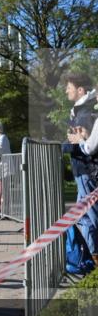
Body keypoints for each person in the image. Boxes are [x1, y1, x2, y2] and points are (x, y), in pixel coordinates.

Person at [62, 74, 98, 263]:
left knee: (91, 216)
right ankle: (91, 257)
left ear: (80, 90)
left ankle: (94, 258)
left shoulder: (85, 113)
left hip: (86, 171)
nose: (66, 90)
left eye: (69, 87)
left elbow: (89, 146)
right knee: (84, 216)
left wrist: (64, 146)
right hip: (82, 171)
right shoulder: (80, 111)